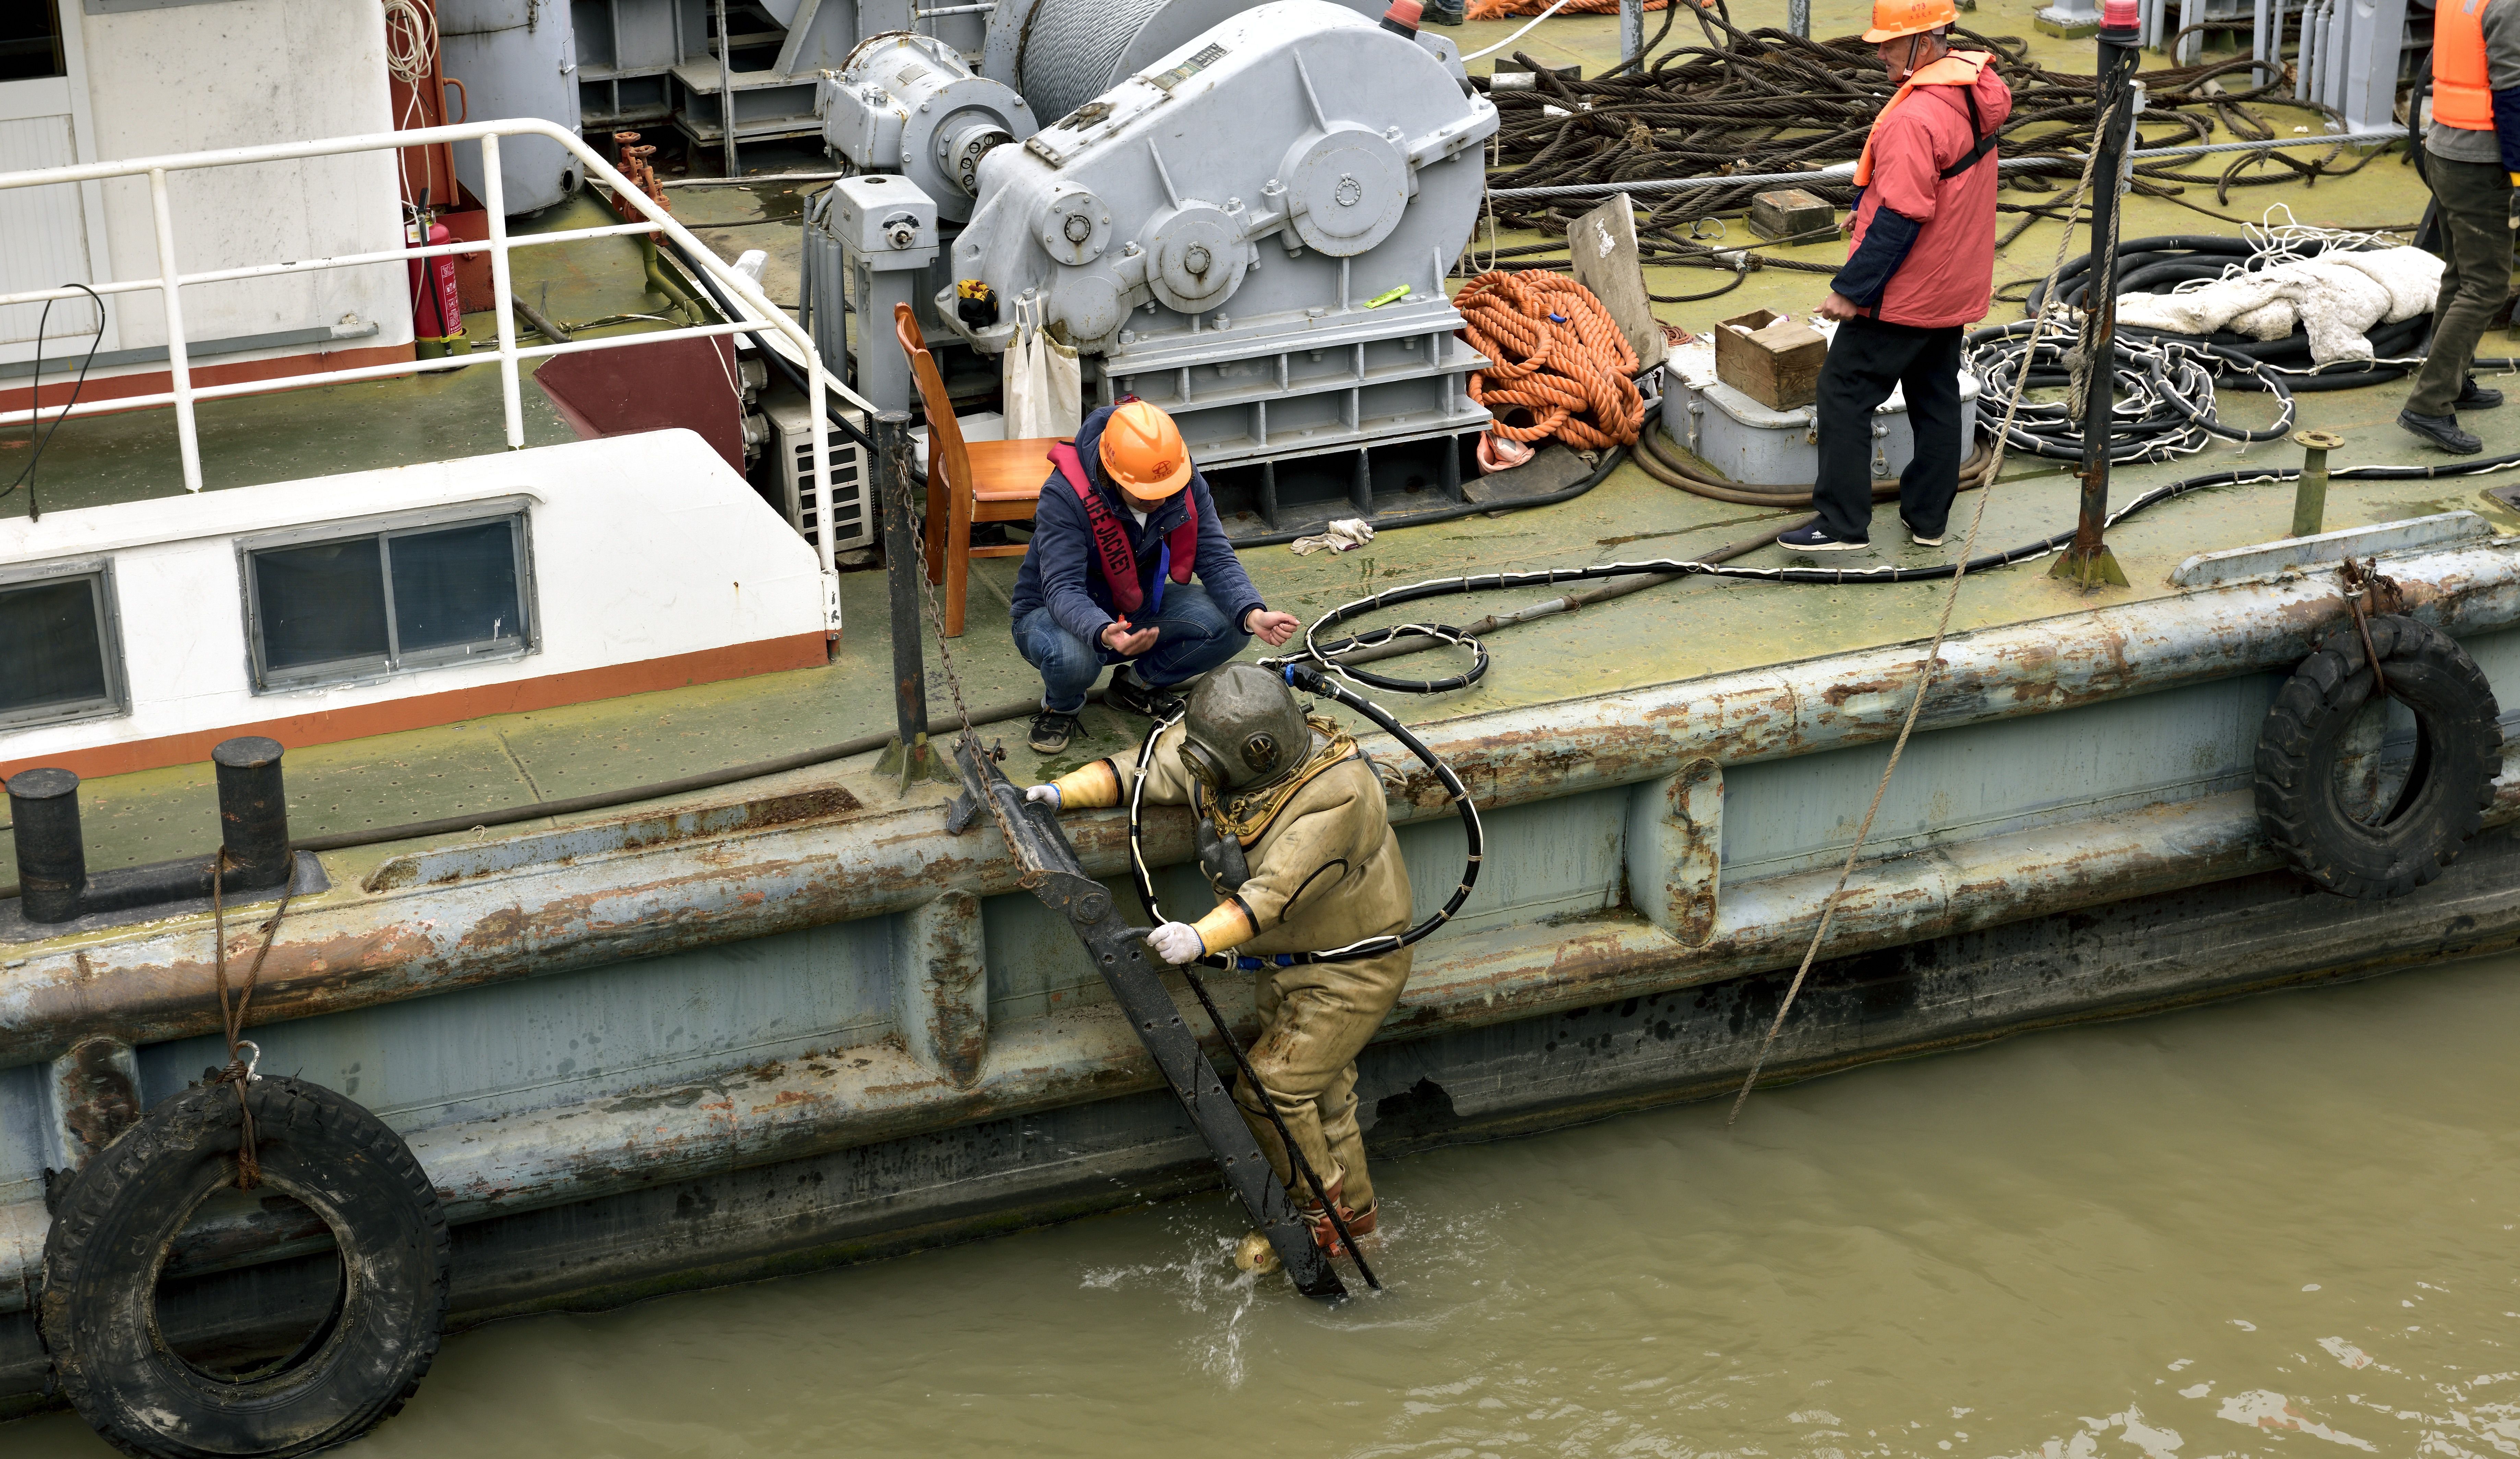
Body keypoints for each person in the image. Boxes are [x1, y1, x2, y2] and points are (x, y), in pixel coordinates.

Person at [1023, 663, 1411, 1267]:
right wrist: (1058, 792)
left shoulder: (1339, 795)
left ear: (1260, 749)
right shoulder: (1223, 757)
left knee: (1270, 1089)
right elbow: (1147, 770)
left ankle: (1316, 1216)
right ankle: (1355, 1228)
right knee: (1327, 1097)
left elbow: (1274, 894)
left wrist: (1197, 939)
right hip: (1287, 962)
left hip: (1350, 969)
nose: (1197, 769)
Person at [1778, 0, 2011, 553]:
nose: (1877, 51)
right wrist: (1867, 207)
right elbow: (1941, 187)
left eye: (1889, 42)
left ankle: (1840, 524)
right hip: (1953, 287)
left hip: (1906, 296)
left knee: (1841, 389)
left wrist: (1847, 290)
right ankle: (1928, 521)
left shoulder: (1912, 117)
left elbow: (1903, 217)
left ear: (1924, 44)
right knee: (1933, 399)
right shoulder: (1975, 93)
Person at [1008, 400, 1302, 753]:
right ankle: (1062, 705)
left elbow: (1214, 555)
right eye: (1148, 495)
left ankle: (1136, 686)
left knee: (1231, 624)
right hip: (1053, 616)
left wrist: (1253, 612)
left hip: (1135, 607)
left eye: (1167, 491)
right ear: (1112, 473)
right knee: (1074, 656)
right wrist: (1102, 630)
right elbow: (1062, 589)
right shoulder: (1065, 496)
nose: (1160, 500)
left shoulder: (1179, 478)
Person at [2398, 0, 2520, 454]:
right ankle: (2429, 405)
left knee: (2460, 276)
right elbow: (2511, 93)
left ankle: (2451, 381)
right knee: (2486, 287)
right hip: (2481, 164)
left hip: (2445, 148)